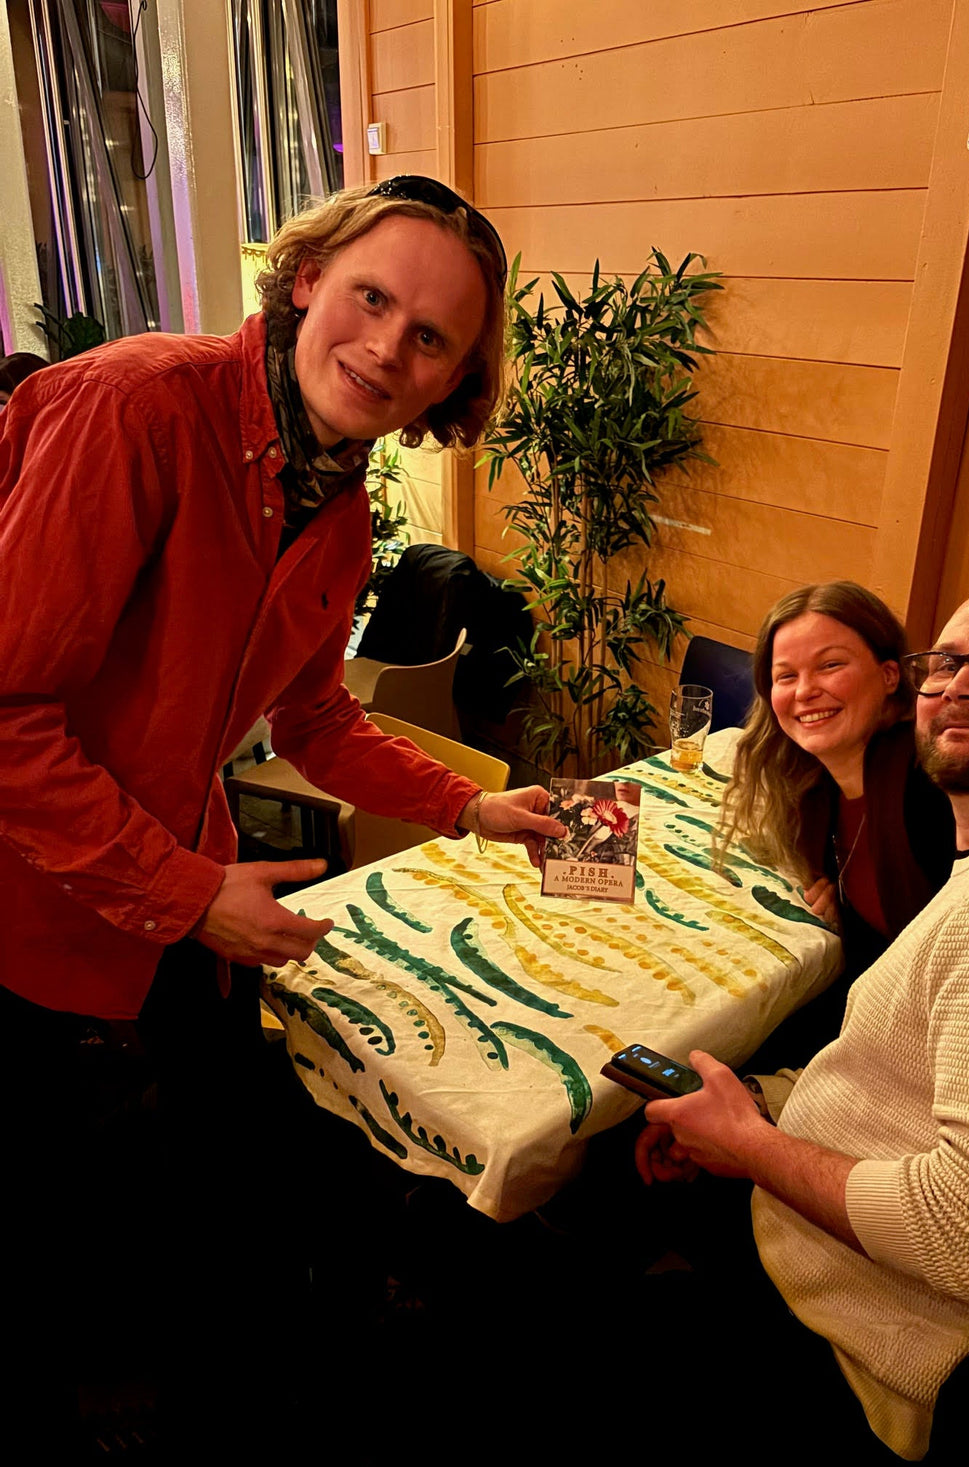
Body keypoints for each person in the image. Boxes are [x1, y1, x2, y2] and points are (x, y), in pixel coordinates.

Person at [0, 176, 565, 1451]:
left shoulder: (341, 506)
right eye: (371, 298)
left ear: (453, 380)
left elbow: (313, 719)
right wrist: (192, 893)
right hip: (35, 895)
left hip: (178, 879)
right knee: (57, 1215)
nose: (386, 347)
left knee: (222, 1165)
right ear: (306, 280)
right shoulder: (137, 406)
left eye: (430, 337)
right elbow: (6, 713)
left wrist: (471, 806)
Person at [637, 584, 969, 1460]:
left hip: (861, 1346)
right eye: (946, 664)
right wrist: (763, 1106)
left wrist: (753, 1145)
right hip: (815, 1250)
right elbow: (908, 1068)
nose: (960, 684)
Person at [715, 581, 954, 1057]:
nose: (805, 691)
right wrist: (845, 896)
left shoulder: (929, 790)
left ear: (889, 674)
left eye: (830, 665)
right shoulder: (815, 787)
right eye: (786, 676)